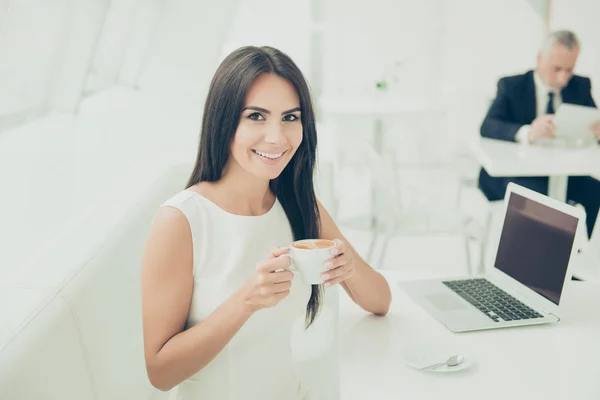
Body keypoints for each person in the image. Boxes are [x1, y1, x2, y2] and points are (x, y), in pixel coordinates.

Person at [140, 46, 392, 399]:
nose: (277, 137)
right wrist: (246, 300)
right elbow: (160, 373)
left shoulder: (299, 206)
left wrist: (349, 268)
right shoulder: (181, 220)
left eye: (291, 117)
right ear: (224, 121)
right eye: (256, 116)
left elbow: (381, 300)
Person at [478, 30, 600, 238]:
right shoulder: (511, 86)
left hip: (562, 173)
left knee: (594, 189)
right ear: (539, 59)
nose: (563, 78)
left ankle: (572, 257)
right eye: (556, 69)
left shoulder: (580, 86)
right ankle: (532, 261)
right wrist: (528, 132)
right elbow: (488, 126)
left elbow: (592, 125)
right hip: (517, 173)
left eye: (569, 70)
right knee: (536, 198)